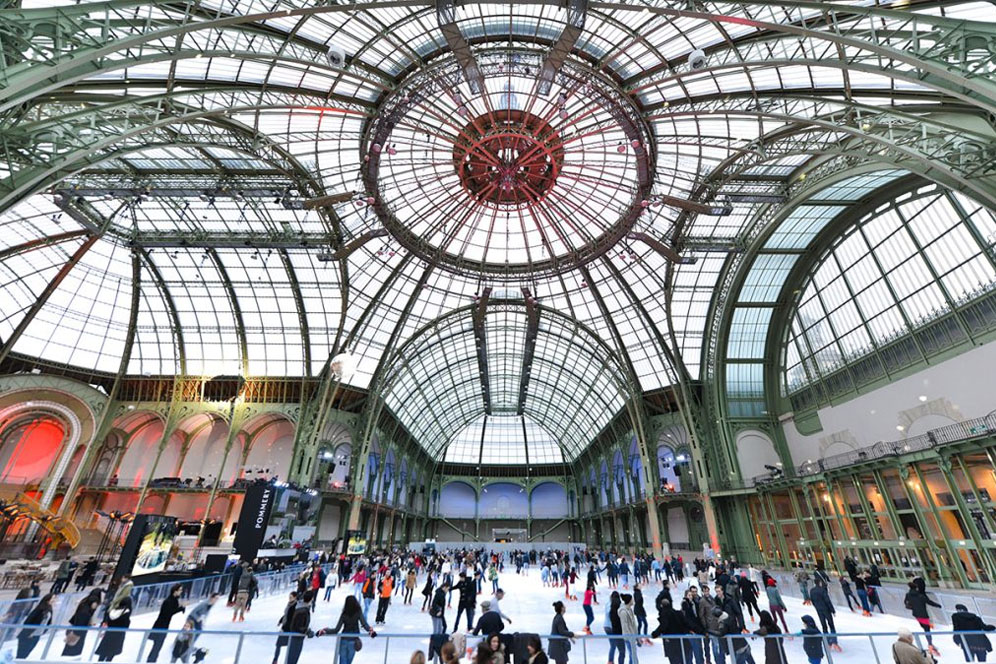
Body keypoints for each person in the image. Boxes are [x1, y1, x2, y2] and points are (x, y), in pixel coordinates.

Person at [317, 595, 376, 664]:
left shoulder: (344, 614)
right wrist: (370, 630)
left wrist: (325, 630)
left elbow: (336, 629)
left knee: (342, 662)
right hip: (353, 640)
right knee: (348, 662)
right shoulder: (358, 612)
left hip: (344, 640)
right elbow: (364, 624)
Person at [148, 584, 185, 662]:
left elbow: (172, 611)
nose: (181, 592)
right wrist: (181, 608)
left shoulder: (174, 600)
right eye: (180, 590)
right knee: (157, 645)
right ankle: (151, 660)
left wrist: (181, 608)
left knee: (158, 645)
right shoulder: (169, 601)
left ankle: (152, 659)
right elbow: (169, 612)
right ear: (175, 591)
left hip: (164, 625)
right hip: (161, 625)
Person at [905, 581, 942, 656]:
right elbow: (929, 602)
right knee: (927, 630)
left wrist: (912, 607)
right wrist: (938, 605)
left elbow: (906, 602)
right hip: (923, 615)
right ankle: (930, 645)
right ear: (916, 588)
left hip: (916, 614)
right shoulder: (920, 595)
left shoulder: (908, 595)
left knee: (925, 628)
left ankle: (930, 644)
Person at [651, 596, 692, 664]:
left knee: (675, 660)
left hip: (672, 645)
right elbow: (686, 624)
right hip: (682, 643)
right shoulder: (678, 613)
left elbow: (663, 625)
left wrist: (655, 633)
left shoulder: (665, 614)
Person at [64, 588, 103, 657]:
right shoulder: (85, 612)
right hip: (78, 631)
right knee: (73, 647)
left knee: (71, 646)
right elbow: (80, 625)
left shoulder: (85, 602)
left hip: (75, 627)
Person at [95, 592, 133, 661]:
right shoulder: (126, 612)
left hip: (109, 633)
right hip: (118, 635)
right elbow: (125, 625)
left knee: (103, 652)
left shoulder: (113, 611)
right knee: (111, 653)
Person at [16, 593, 54, 660]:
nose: (55, 600)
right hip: (29, 635)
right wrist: (29, 632)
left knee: (26, 654)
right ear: (48, 600)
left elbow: (47, 623)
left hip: (37, 635)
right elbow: (28, 621)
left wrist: (43, 631)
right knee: (21, 654)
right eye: (53, 598)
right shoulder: (40, 609)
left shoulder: (49, 609)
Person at [809, 580, 840, 652]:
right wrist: (832, 610)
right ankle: (834, 641)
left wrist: (817, 607)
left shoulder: (812, 591)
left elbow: (812, 600)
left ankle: (828, 642)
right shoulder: (822, 590)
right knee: (831, 625)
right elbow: (827, 600)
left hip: (819, 610)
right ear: (819, 583)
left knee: (824, 626)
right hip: (826, 609)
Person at [285, 590, 314, 664]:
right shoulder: (303, 610)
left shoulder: (303, 608)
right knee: (292, 658)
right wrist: (306, 631)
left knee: (293, 658)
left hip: (298, 637)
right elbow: (298, 626)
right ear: (311, 599)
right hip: (296, 637)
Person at [272, 591, 299, 664]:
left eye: (291, 597)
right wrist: (281, 620)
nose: (289, 599)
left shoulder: (295, 606)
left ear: (295, 597)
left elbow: (291, 618)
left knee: (288, 646)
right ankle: (275, 660)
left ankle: (286, 661)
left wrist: (285, 628)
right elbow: (286, 614)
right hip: (284, 628)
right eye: (289, 597)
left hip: (288, 629)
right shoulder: (289, 604)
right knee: (278, 645)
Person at [620, 592, 640, 664]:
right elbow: (625, 626)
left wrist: (637, 637)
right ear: (629, 601)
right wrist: (630, 637)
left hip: (632, 636)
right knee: (633, 655)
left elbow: (633, 624)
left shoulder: (630, 610)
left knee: (633, 655)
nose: (633, 601)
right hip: (629, 637)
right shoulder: (623, 612)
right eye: (632, 599)